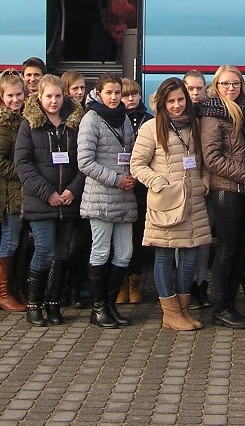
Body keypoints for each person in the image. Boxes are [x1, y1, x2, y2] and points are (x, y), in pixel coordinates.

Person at [130, 77, 211, 331]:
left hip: (193, 201)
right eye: (171, 101)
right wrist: (158, 182)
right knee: (164, 255)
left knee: (190, 255)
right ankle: (170, 314)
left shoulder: (196, 125)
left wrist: (204, 182)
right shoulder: (151, 128)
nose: (176, 105)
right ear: (162, 103)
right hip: (166, 202)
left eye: (180, 99)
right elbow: (137, 165)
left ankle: (183, 311)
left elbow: (204, 161)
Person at [15, 74, 84, 326]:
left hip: (68, 201)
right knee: (44, 249)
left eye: (57, 96)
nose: (53, 101)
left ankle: (53, 303)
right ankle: (34, 305)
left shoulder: (75, 123)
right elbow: (23, 164)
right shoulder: (29, 125)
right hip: (41, 201)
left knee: (62, 252)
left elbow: (84, 162)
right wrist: (48, 193)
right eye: (48, 97)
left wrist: (73, 190)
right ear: (39, 97)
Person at [77, 74, 137, 328]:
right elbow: (85, 162)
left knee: (125, 253)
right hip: (100, 197)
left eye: (117, 92)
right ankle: (98, 307)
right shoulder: (91, 119)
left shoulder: (124, 117)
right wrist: (116, 179)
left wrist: (133, 173)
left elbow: (131, 151)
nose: (114, 97)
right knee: (100, 250)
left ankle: (110, 304)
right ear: (99, 93)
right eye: (109, 92)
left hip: (124, 196)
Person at [200, 65, 245, 329]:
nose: (231, 88)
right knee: (227, 248)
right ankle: (221, 307)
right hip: (226, 189)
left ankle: (230, 304)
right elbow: (212, 159)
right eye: (225, 84)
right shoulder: (213, 114)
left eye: (235, 83)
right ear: (216, 86)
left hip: (244, 190)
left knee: (243, 247)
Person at [0, 70, 28, 314]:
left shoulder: (22, 120)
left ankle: (17, 288)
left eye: (19, 94)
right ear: (1, 97)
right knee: (9, 242)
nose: (15, 99)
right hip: (9, 195)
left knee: (20, 243)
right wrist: (24, 173)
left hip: (22, 194)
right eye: (10, 95)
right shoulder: (1, 125)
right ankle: (3, 294)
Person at [182, 69, 212, 310]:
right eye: (190, 88)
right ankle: (184, 286)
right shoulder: (172, 113)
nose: (194, 93)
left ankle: (201, 284)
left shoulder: (210, 113)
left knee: (203, 240)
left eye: (198, 88)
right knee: (181, 240)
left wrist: (205, 180)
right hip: (179, 187)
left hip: (203, 185)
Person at [119, 77, 151, 306]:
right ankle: (120, 282)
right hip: (120, 184)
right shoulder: (114, 119)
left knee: (138, 236)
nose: (130, 99)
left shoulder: (149, 120)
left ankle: (135, 282)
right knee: (121, 238)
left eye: (134, 94)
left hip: (142, 187)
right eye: (125, 95)